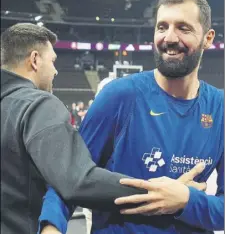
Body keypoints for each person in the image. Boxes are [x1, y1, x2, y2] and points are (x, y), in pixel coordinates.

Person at [39, 0, 224, 234]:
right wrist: (51, 227)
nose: (169, 38)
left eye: (183, 28)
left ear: (208, 38)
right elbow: (70, 178)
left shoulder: (220, 108)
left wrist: (186, 201)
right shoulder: (119, 96)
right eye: (162, 27)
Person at [1, 22, 159, 234]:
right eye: (53, 61)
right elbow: (78, 180)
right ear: (35, 60)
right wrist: (157, 191)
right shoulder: (38, 104)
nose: (56, 71)